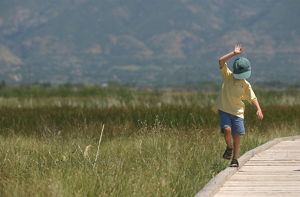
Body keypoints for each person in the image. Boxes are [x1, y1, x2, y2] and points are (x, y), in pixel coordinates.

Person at [217, 44, 263, 167]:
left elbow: (252, 97)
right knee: (226, 129)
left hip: (238, 113)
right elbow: (221, 61)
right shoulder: (228, 76)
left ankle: (235, 159)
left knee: (237, 136)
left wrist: (258, 109)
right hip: (224, 109)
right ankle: (229, 147)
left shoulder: (245, 84)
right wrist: (234, 53)